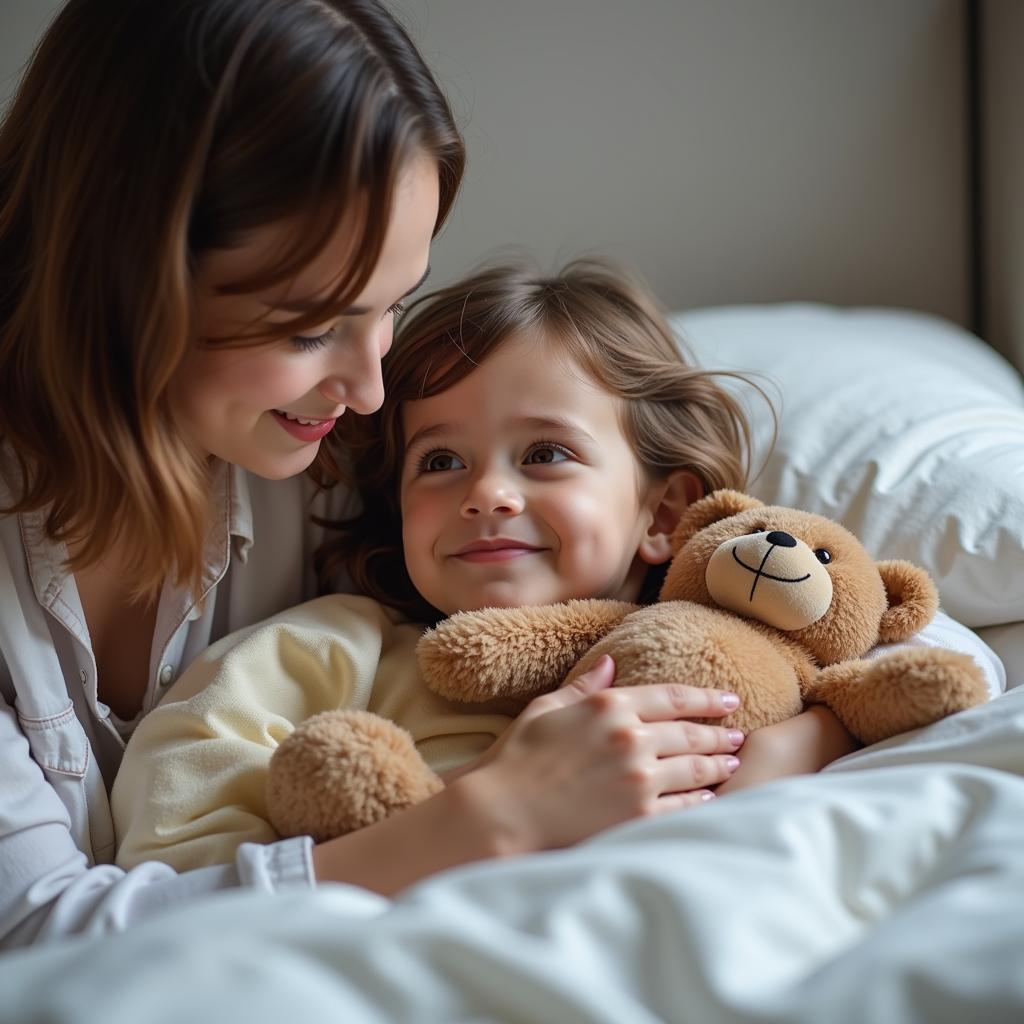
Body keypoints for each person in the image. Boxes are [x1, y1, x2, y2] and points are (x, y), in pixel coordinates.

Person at [0, 1, 744, 951]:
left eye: (391, 306)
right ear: (121, 281)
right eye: (311, 328)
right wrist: (486, 817)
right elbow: (34, 937)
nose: (368, 388)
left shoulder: (344, 459)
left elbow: (831, 608)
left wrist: (778, 741)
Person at [112, 258, 882, 874]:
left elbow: (925, 666)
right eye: (441, 460)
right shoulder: (329, 653)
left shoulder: (748, 638)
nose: (485, 494)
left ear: (664, 513)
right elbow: (179, 866)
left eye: (546, 454)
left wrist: (796, 746)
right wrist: (467, 807)